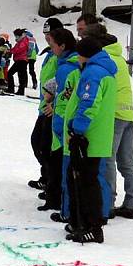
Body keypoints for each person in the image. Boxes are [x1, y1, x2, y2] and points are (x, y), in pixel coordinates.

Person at [62, 37, 117, 244]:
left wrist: (76, 129)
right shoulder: (104, 71)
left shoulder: (93, 73)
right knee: (83, 180)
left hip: (89, 138)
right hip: (96, 138)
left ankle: (93, 227)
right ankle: (82, 222)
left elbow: (89, 104)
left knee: (86, 182)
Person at [83, 23, 133, 219]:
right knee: (126, 162)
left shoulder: (103, 59)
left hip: (114, 115)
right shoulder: (119, 57)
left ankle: (108, 202)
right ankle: (132, 203)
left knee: (108, 160)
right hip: (129, 114)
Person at [47, 28, 80, 214]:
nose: (51, 49)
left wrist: (59, 124)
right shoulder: (67, 64)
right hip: (60, 117)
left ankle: (58, 201)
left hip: (61, 121)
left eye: (53, 45)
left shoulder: (68, 67)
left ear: (63, 46)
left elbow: (64, 97)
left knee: (57, 163)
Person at [29, 18, 63, 190]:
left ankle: (51, 179)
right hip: (44, 107)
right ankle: (47, 176)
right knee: (38, 143)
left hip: (53, 108)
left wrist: (55, 102)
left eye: (49, 35)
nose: (47, 38)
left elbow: (64, 81)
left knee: (44, 145)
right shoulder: (50, 54)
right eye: (45, 35)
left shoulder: (60, 55)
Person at [7, 28, 30, 95]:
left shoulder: (24, 41)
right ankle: (20, 90)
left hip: (21, 60)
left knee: (11, 73)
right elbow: (16, 48)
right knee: (20, 75)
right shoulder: (21, 41)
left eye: (16, 36)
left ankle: (13, 89)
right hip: (21, 60)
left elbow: (19, 49)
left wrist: (11, 51)